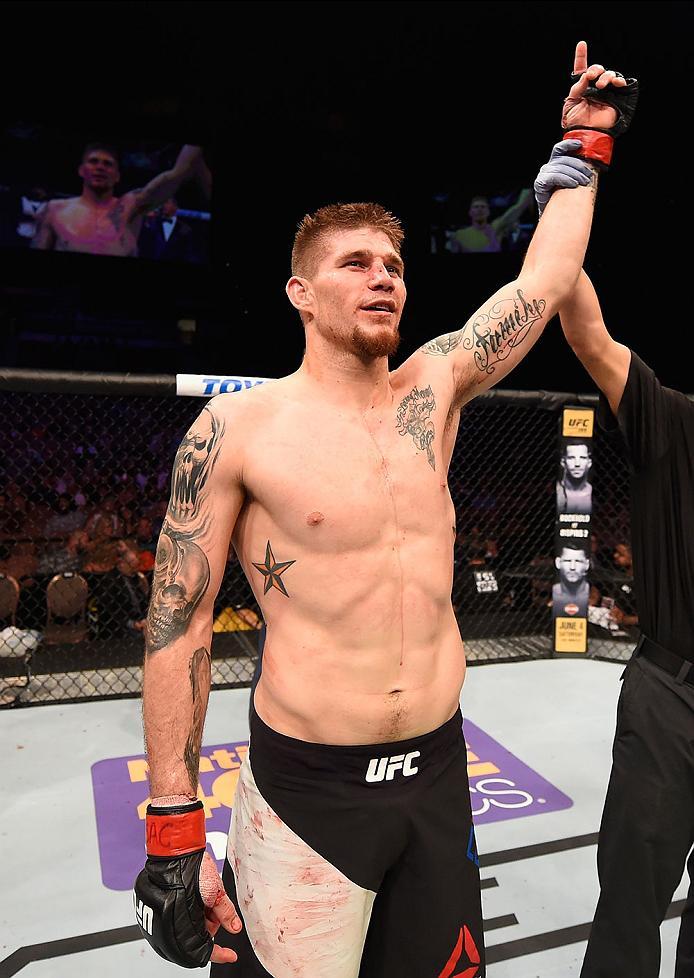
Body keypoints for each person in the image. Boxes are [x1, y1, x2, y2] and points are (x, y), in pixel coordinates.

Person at [134, 44, 632, 976]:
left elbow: (542, 283)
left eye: (394, 264)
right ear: (300, 294)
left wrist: (583, 148)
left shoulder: (431, 391)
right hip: (309, 791)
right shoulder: (238, 426)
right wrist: (171, 826)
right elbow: (177, 620)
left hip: (440, 774)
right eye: (356, 263)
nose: (384, 276)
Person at [557, 269, 694, 977]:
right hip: (673, 693)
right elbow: (588, 335)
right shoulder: (674, 421)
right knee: (633, 895)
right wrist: (565, 213)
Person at [31, 142, 204, 257]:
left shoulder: (132, 206)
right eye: (93, 161)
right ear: (81, 170)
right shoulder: (54, 209)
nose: (100, 167)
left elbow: (179, 173)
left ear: (117, 176)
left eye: (108, 164)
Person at [447, 189, 533, 253]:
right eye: (476, 207)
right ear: (470, 212)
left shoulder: (496, 228)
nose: (480, 210)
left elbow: (519, 207)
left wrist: (528, 190)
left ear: (488, 211)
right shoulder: (459, 235)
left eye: (483, 207)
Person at [138, 197, 197, 262]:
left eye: (167, 202)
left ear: (175, 207)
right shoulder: (152, 223)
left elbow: (188, 253)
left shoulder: (185, 229)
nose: (163, 205)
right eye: (162, 203)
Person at [552, 543, 590, 617]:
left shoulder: (591, 594)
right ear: (558, 562)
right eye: (567, 561)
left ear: (587, 564)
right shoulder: (552, 593)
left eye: (578, 561)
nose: (572, 567)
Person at [556, 439, 593, 513]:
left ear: (589, 463)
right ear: (563, 462)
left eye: (582, 458)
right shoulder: (556, 492)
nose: (577, 464)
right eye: (571, 458)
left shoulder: (594, 493)